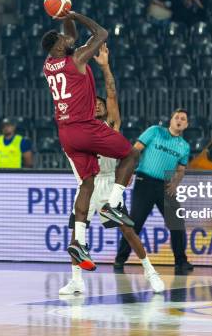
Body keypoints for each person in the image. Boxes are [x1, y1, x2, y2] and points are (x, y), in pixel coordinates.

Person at [59, 43, 165, 295]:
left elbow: (112, 92)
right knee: (77, 234)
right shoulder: (79, 127)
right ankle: (76, 280)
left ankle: (151, 272)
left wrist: (105, 67)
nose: (96, 105)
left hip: (107, 184)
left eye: (100, 104)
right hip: (86, 185)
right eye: (92, 103)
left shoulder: (110, 126)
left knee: (128, 232)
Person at [41, 11, 140, 271]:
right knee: (130, 154)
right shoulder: (76, 60)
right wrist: (74, 13)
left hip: (65, 133)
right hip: (85, 126)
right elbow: (102, 34)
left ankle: (79, 242)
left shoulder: (49, 64)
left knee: (86, 184)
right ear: (59, 47)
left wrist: (64, 18)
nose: (67, 38)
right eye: (63, 39)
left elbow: (71, 36)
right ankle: (114, 203)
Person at [114, 109, 192, 273]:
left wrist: (175, 184)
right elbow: (135, 151)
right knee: (135, 223)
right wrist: (128, 173)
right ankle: (120, 259)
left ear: (186, 125)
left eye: (183, 119)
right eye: (176, 117)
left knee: (177, 222)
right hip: (144, 182)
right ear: (170, 120)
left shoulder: (184, 147)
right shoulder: (155, 131)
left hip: (165, 186)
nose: (179, 120)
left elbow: (181, 169)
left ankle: (181, 261)